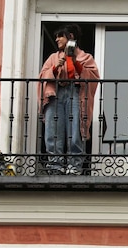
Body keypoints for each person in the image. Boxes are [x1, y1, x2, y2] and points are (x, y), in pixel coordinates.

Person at [39, 24, 100, 174]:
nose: (57, 39)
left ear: (71, 37)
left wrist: (75, 62)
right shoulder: (53, 57)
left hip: (75, 93)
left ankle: (75, 167)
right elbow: (42, 77)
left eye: (60, 36)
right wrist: (55, 68)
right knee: (53, 131)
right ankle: (55, 166)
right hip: (55, 93)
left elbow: (92, 76)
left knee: (75, 132)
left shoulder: (86, 57)